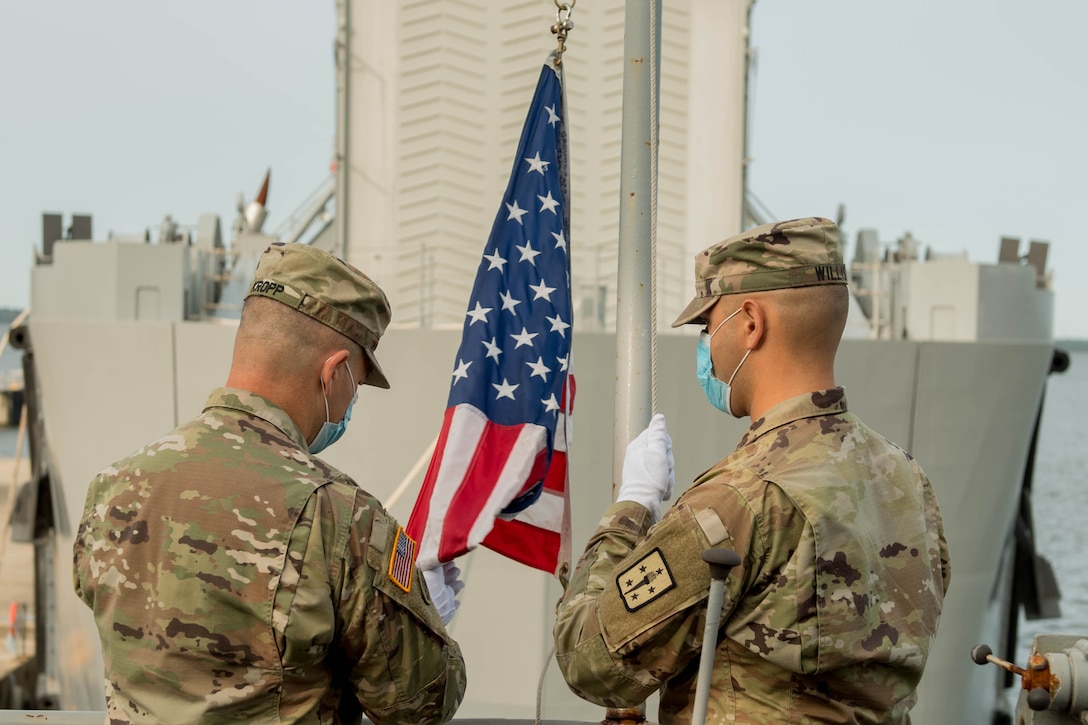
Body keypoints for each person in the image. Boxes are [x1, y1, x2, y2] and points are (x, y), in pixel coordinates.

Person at [553, 217, 951, 723]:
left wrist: (631, 509)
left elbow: (589, 659)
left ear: (750, 322)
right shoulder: (907, 480)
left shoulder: (742, 499)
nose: (705, 345)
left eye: (706, 325)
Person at [74, 242, 466, 724]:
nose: (349, 405)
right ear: (334, 371)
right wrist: (419, 619)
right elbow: (419, 706)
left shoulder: (113, 487)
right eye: (356, 386)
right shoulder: (340, 515)